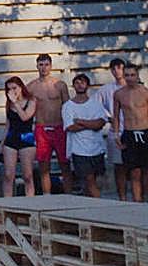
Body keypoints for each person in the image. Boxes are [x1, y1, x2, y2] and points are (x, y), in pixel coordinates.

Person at [27, 54, 73, 196]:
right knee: (43, 167)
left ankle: (69, 196)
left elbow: (68, 108)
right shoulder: (31, 87)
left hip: (59, 127)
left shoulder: (60, 85)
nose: (44, 68)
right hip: (42, 129)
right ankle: (47, 197)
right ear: (37, 66)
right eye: (41, 65)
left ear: (51, 66)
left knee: (65, 165)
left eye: (46, 64)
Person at [62, 74, 108, 199]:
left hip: (97, 148)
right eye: (77, 82)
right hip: (79, 150)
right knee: (88, 180)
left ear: (87, 85)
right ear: (73, 86)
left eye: (82, 82)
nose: (80, 85)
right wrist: (91, 124)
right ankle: (100, 206)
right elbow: (70, 127)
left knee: (97, 181)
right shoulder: (68, 106)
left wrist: (81, 121)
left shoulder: (95, 104)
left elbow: (100, 123)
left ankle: (93, 205)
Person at [113, 65, 148, 202]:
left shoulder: (145, 92)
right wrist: (116, 134)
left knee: (146, 170)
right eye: (127, 75)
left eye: (132, 75)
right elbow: (115, 116)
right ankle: (136, 200)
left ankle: (145, 198)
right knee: (134, 171)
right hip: (129, 133)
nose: (130, 78)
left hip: (145, 132)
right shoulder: (119, 94)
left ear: (137, 76)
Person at [96, 58, 128, 201]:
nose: (117, 71)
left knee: (138, 168)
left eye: (119, 68)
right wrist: (108, 117)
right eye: (114, 69)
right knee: (119, 167)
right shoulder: (106, 89)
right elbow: (95, 105)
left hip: (134, 129)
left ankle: (140, 199)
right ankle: (122, 198)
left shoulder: (135, 87)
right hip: (116, 131)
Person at [1, 77, 37, 198]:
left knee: (27, 175)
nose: (12, 91)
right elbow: (8, 125)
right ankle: (8, 205)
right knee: (8, 175)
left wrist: (16, 103)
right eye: (9, 89)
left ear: (21, 87)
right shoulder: (9, 104)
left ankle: (29, 202)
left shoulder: (31, 101)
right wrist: (2, 144)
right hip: (11, 138)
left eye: (14, 88)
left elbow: (25, 117)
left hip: (26, 137)